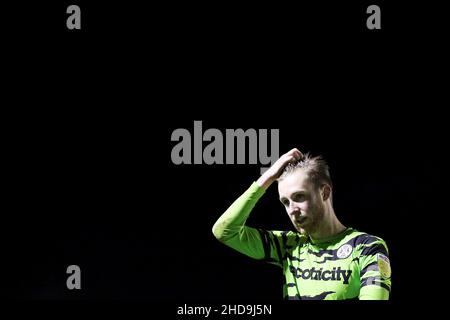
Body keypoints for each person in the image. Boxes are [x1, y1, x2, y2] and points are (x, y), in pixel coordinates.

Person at [212, 148, 391, 300]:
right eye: (285, 202)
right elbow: (224, 231)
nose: (292, 210)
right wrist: (266, 178)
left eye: (299, 197)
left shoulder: (367, 247)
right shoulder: (288, 247)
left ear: (325, 193)